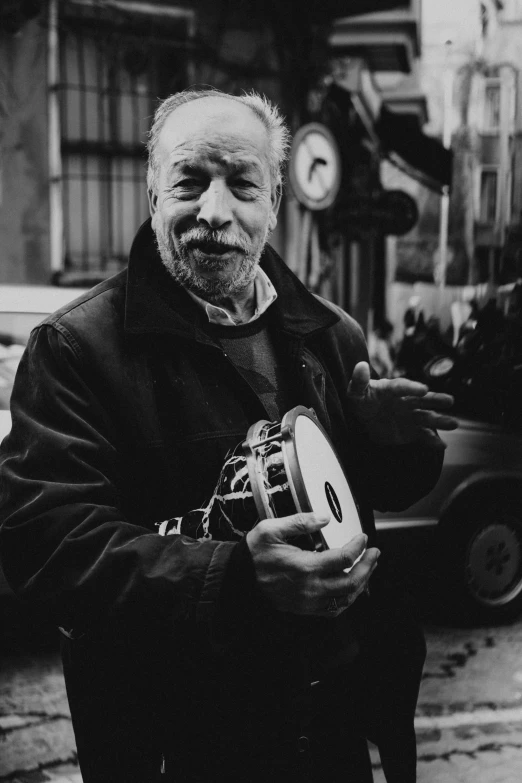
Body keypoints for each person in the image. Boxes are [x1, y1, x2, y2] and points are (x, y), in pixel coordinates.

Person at [0, 89, 457, 783]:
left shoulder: (331, 333)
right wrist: (237, 581)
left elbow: (358, 499)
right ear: (153, 189)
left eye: (241, 183)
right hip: (178, 745)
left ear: (273, 202)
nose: (214, 212)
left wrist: (388, 444)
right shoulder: (74, 348)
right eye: (189, 179)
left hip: (333, 729)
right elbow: (48, 547)